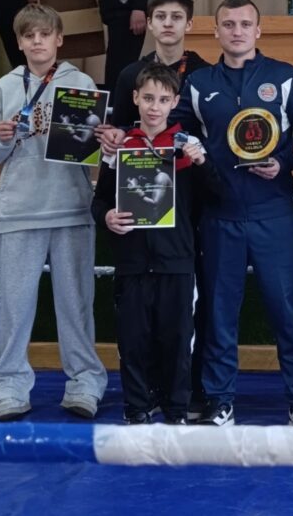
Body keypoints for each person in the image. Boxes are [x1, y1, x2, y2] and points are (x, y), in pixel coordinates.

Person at [170, 0, 293, 427]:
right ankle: (220, 400)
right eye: (229, 24)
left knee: (287, 310)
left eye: (245, 24)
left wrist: (285, 162)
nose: (237, 31)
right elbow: (175, 131)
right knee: (219, 313)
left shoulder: (284, 76)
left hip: (274, 212)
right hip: (220, 215)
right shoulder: (198, 82)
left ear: (258, 30)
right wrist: (132, 137)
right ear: (216, 31)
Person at [0, 4, 107, 421]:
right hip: (20, 209)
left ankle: (85, 383)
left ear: (59, 39)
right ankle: (9, 387)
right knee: (13, 307)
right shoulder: (5, 86)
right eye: (29, 35)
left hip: (71, 206)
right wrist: (3, 138)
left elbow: (88, 149)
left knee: (76, 306)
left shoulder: (81, 83)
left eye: (44, 34)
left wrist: (95, 137)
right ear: (19, 42)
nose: (37, 41)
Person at [92, 63, 213, 424]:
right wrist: (107, 217)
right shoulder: (120, 145)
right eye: (148, 98)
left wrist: (201, 162)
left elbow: (217, 196)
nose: (154, 107)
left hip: (177, 261)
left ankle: (176, 411)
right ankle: (136, 409)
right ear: (135, 98)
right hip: (132, 262)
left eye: (162, 99)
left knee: (177, 340)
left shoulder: (188, 146)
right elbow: (99, 200)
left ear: (174, 102)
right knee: (133, 341)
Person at [111, 0, 209, 128]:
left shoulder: (205, 75)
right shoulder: (130, 75)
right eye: (160, 16)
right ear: (150, 23)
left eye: (176, 17)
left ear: (188, 24)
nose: (167, 24)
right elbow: (119, 129)